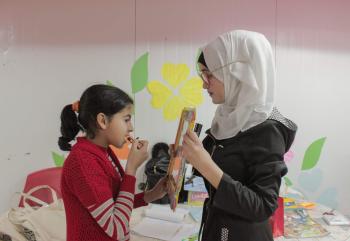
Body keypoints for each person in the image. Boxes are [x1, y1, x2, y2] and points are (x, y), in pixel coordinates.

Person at [182, 30, 297, 241]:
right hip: (216, 226)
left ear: (237, 72)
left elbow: (263, 206)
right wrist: (183, 158)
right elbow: (217, 172)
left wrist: (205, 164)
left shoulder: (267, 129)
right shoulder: (228, 119)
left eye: (209, 74)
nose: (204, 83)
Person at [59, 84, 168, 241]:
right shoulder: (83, 162)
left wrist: (151, 195)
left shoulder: (103, 152)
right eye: (126, 119)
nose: (131, 127)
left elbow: (117, 205)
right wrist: (131, 169)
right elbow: (116, 227)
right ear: (102, 120)